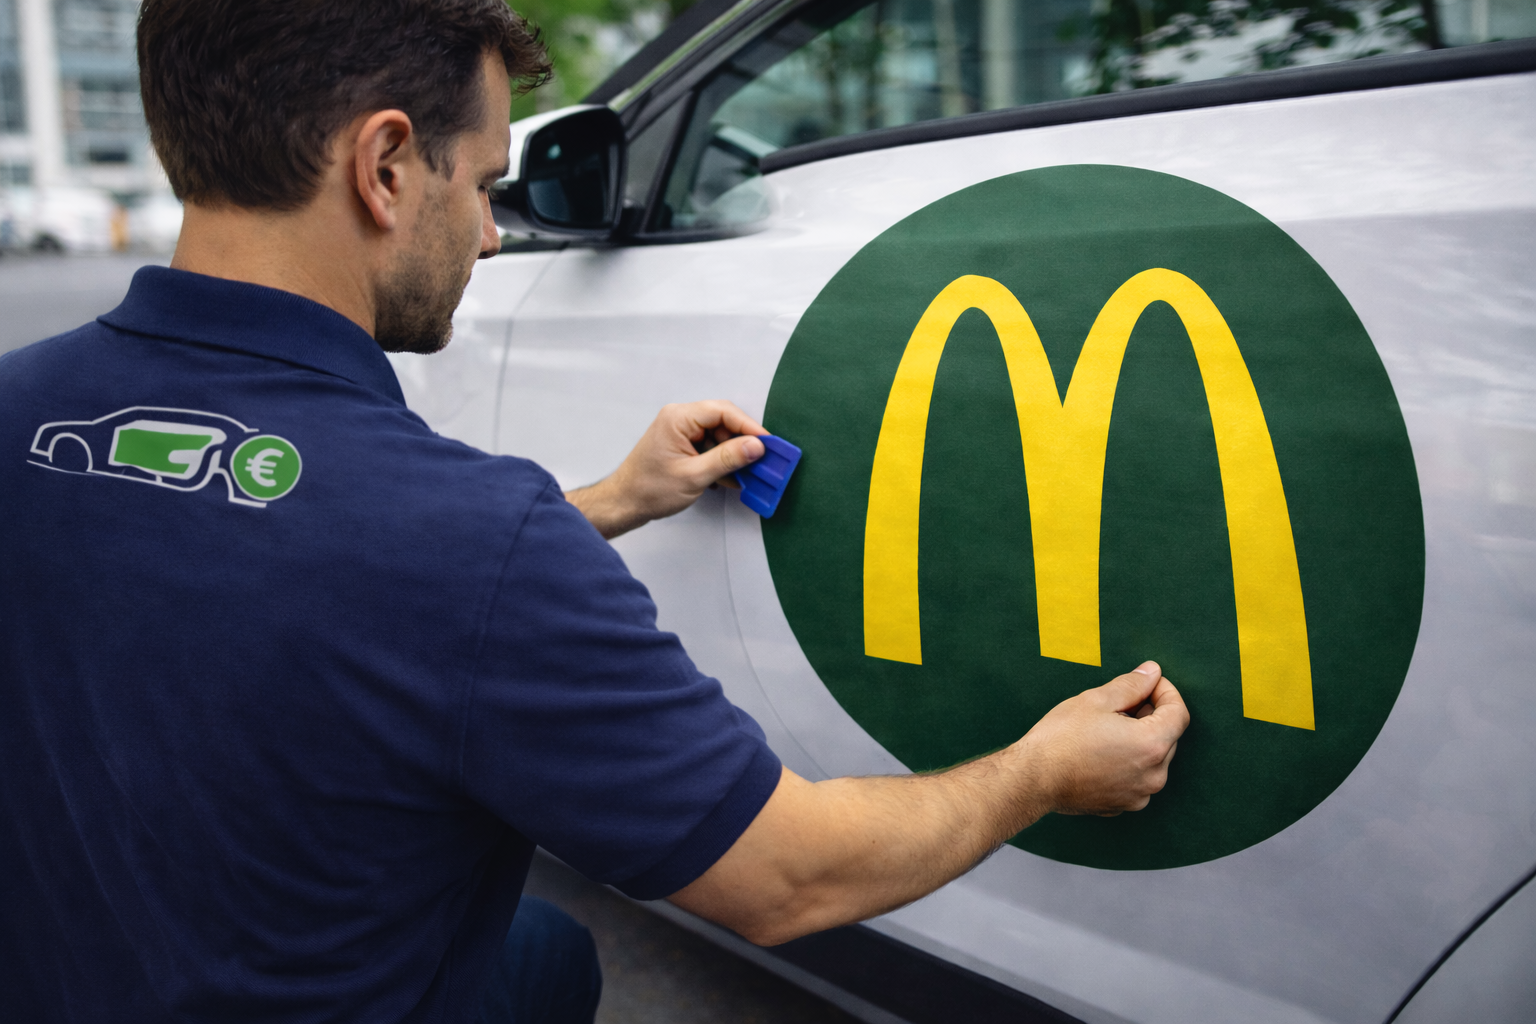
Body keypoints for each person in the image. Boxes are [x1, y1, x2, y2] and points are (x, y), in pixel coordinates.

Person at [0, 1, 1190, 1021]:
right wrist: (1040, 771)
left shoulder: (20, 408)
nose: (489, 229)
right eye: (479, 183)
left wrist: (617, 501)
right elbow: (789, 881)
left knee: (550, 946)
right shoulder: (467, 538)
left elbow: (309, 577)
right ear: (384, 166)